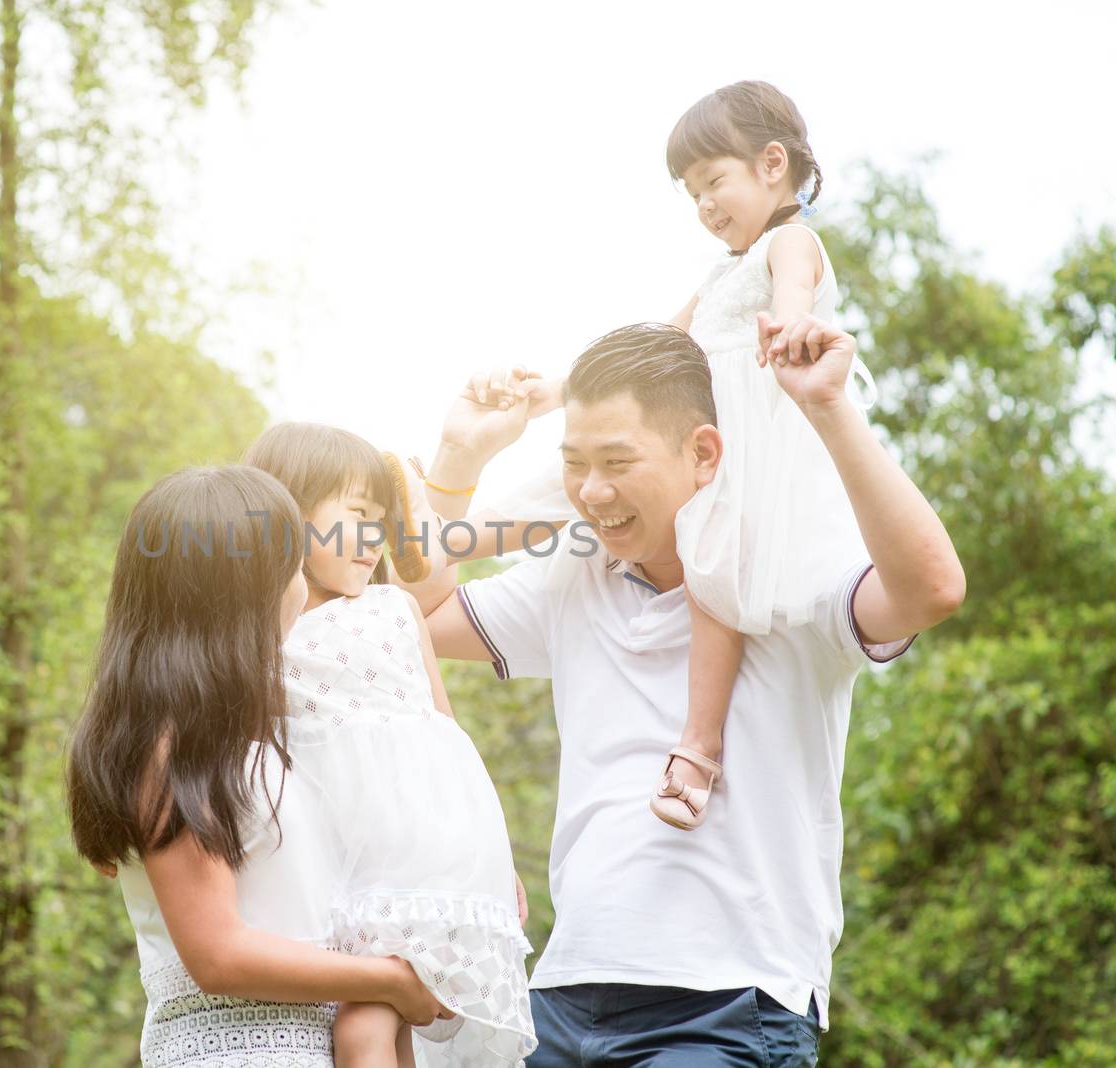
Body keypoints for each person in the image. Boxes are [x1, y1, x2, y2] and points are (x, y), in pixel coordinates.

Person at [418, 315, 966, 1063]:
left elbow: (932, 588)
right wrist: (458, 458)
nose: (591, 490)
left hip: (727, 1004)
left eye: (617, 460)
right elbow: (408, 614)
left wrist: (829, 407)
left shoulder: (787, 572)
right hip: (562, 994)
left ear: (704, 452)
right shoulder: (573, 577)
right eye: (573, 463)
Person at [481, 80, 877, 830]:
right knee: (562, 484)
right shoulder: (721, 272)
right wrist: (560, 390)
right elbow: (660, 344)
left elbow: (794, 292)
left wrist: (787, 329)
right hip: (683, 436)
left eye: (713, 182)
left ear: (771, 164)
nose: (704, 205)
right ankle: (444, 537)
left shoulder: (790, 240)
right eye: (691, 192)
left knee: (711, 573)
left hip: (741, 451)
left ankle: (696, 748)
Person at [65, 465, 452, 1067]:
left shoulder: (259, 731)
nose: (303, 586)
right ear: (243, 591)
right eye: (293, 567)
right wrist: (390, 982)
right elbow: (218, 955)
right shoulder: (168, 745)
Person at [243, 423, 537, 1068]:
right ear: (288, 515)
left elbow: (444, 728)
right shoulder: (260, 636)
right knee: (378, 1022)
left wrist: (496, 856)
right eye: (358, 516)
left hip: (423, 852)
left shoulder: (394, 609)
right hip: (342, 860)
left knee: (369, 1023)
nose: (373, 538)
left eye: (382, 521)